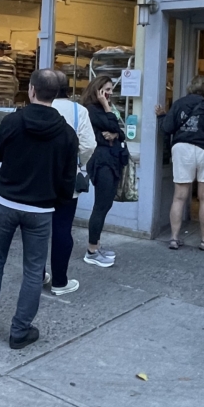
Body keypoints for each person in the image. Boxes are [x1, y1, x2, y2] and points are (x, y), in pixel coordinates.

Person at [0, 69, 77, 349]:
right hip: (41, 209)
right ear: (55, 95)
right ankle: (20, 330)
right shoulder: (67, 133)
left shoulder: (12, 121)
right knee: (33, 270)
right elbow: (68, 181)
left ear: (31, 90)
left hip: (6, 202)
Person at [155, 75, 204, 251]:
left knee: (179, 196)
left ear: (190, 87)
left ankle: (173, 238)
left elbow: (166, 128)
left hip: (182, 149)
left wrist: (161, 116)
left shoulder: (179, 103)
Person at [49, 71, 97, 295]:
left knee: (38, 228)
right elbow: (89, 144)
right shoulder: (79, 111)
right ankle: (59, 281)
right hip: (68, 177)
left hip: (39, 178)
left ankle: (37, 274)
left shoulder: (42, 107)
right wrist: (78, 162)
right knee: (62, 227)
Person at [81, 75, 127, 267]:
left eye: (111, 90)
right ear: (97, 90)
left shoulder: (104, 109)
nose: (109, 94)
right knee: (101, 205)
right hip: (101, 162)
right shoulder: (92, 109)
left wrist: (115, 134)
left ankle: (96, 245)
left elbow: (120, 131)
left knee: (106, 204)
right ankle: (91, 250)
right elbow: (112, 124)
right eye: (105, 90)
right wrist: (108, 110)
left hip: (112, 160)